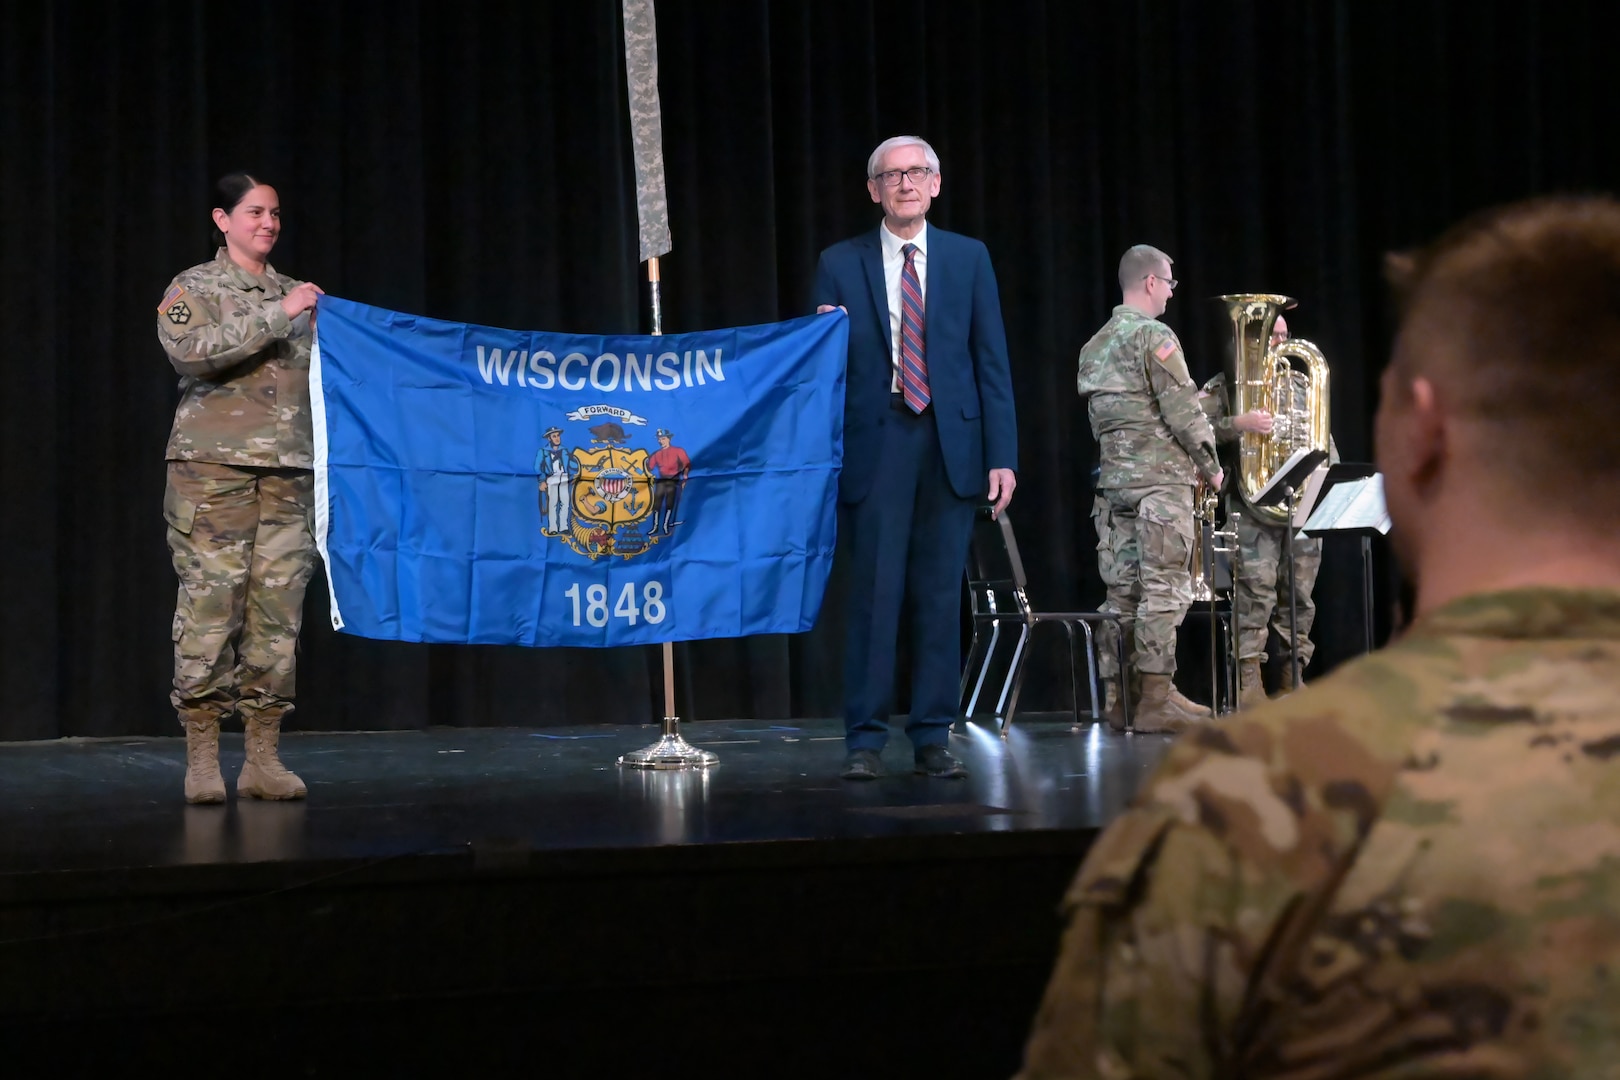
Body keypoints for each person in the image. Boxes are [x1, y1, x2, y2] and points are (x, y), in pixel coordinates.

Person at [1016, 195, 1620, 1078]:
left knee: (1138, 597)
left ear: (1420, 430)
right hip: (1169, 492)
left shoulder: (1252, 801)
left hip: (1131, 487)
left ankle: (1138, 693)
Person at [812, 134, 1018, 781]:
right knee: (873, 596)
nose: (905, 182)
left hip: (950, 445)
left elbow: (991, 361)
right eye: (891, 174)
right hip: (879, 443)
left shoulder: (968, 258)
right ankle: (864, 741)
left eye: (917, 172)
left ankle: (933, 734)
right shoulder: (840, 263)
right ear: (873, 190)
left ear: (935, 184)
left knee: (937, 595)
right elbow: (820, 370)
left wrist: (1002, 454)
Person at [157, 172, 323, 805]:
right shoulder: (194, 288)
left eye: (275, 213)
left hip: (289, 473)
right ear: (223, 220)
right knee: (209, 607)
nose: (268, 223)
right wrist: (275, 316)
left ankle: (262, 757)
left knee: (277, 617)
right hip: (213, 472)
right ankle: (203, 759)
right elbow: (189, 352)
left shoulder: (299, 294)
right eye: (255, 212)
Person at [1078, 245, 1224, 733]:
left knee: (1122, 593)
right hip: (1162, 484)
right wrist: (1212, 466)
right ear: (1150, 282)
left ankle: (1121, 698)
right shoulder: (1155, 336)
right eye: (1169, 283)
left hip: (1115, 486)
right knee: (1164, 590)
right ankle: (1156, 700)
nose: (1170, 292)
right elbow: (1184, 410)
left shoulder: (1094, 345)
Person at [1200, 312, 1340, 706]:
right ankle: (1248, 683)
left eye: (1282, 334)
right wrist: (1238, 424)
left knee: (1299, 597)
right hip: (1253, 508)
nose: (1278, 342)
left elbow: (1322, 439)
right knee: (1254, 596)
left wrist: (1323, 487)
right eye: (1269, 336)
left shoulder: (1301, 384)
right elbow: (1192, 429)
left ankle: (1292, 675)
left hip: (1299, 509)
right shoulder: (1227, 384)